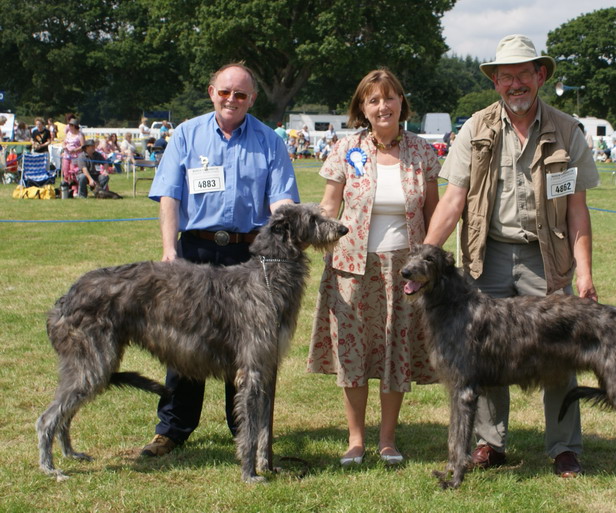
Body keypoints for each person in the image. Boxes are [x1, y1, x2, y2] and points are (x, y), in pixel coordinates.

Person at [423, 34, 599, 478]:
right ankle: (490, 443)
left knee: (558, 352)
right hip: (488, 255)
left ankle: (564, 447)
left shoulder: (567, 130)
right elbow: (452, 200)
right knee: (481, 351)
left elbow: (577, 209)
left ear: (540, 76)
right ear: (496, 82)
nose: (515, 84)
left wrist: (584, 276)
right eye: (506, 77)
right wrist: (427, 252)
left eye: (523, 74)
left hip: (546, 256)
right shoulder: (475, 128)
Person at [142, 61, 299, 457]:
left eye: (241, 94)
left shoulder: (269, 141)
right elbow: (169, 196)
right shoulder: (186, 135)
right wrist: (168, 250)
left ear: (252, 99)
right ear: (212, 91)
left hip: (249, 254)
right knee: (186, 342)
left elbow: (281, 199)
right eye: (225, 91)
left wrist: (287, 228)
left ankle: (245, 430)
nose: (232, 99)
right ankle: (173, 429)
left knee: (249, 346)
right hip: (194, 251)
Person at [307, 68, 440, 466]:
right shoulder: (345, 148)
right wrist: (309, 236)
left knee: (394, 351)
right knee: (354, 354)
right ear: (362, 108)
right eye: (373, 100)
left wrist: (431, 260)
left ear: (402, 102)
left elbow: (434, 211)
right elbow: (330, 208)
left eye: (390, 97)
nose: (383, 106)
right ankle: (355, 439)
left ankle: (387, 440)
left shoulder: (423, 152)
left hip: (405, 269)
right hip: (351, 266)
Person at [61, 118, 85, 185]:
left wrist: (75, 150)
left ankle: (75, 188)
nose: (69, 127)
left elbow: (83, 146)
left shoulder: (80, 135)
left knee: (73, 172)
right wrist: (64, 146)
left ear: (74, 126)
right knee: (65, 172)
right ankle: (66, 186)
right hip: (66, 155)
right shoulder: (68, 133)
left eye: (70, 126)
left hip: (75, 156)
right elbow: (64, 142)